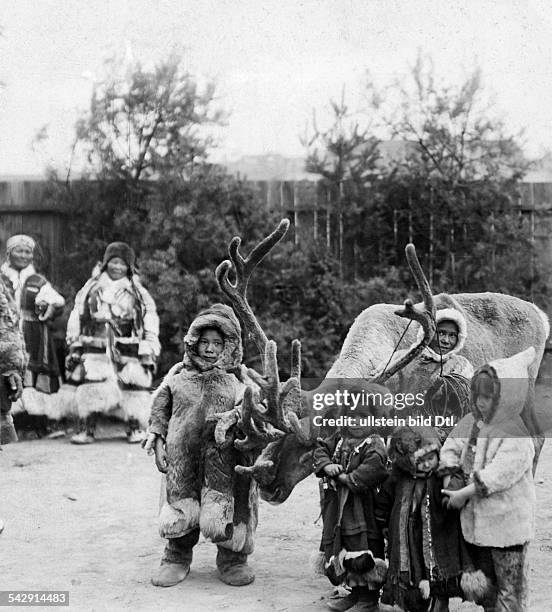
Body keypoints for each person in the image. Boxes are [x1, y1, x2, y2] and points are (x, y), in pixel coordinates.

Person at [144, 303, 260, 588]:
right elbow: (159, 411)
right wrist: (158, 441)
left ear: (229, 346)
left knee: (227, 508)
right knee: (181, 506)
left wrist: (238, 418)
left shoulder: (238, 380)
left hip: (226, 460)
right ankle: (176, 556)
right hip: (184, 458)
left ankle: (232, 559)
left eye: (217, 343)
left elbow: (253, 409)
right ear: (193, 342)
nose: (209, 349)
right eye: (204, 342)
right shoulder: (177, 377)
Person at [440, 347, 537, 612]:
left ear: (506, 396)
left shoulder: (515, 432)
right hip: (478, 527)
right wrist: (450, 474)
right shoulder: (472, 421)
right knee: (488, 587)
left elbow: (498, 475)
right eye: (478, 396)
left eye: (488, 397)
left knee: (510, 589)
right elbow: (451, 447)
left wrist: (464, 493)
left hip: (507, 528)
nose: (481, 403)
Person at [65, 242, 160, 444]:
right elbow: (77, 312)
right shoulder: (91, 287)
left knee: (132, 384)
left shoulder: (138, 292)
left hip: (128, 343)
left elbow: (149, 316)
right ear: (106, 263)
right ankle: (87, 429)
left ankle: (134, 428)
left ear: (129, 267)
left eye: (122, 264)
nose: (117, 267)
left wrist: (149, 342)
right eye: (113, 262)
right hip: (96, 342)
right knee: (92, 384)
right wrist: (74, 340)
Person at [376, 427, 475, 612]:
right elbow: (385, 499)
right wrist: (381, 521)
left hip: (435, 534)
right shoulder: (398, 478)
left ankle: (439, 601)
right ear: (407, 462)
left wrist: (453, 488)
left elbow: (454, 488)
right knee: (412, 570)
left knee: (436, 570)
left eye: (431, 457)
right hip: (406, 536)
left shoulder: (439, 477)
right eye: (420, 461)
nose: (428, 464)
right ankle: (412, 602)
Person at [313, 402, 389, 612]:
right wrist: (327, 465)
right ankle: (354, 594)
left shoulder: (374, 444)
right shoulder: (339, 438)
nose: (355, 422)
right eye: (351, 417)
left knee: (364, 549)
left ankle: (368, 599)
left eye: (362, 417)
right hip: (339, 510)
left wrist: (345, 477)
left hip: (363, 510)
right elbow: (320, 449)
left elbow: (373, 469)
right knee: (344, 549)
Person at [0, 235, 65, 418]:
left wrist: (48, 307)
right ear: (9, 253)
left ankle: (34, 420)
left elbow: (57, 302)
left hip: (33, 334)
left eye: (27, 252)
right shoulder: (1, 278)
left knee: (30, 374)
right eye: (19, 251)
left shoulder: (37, 281)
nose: (23, 255)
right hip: (5, 332)